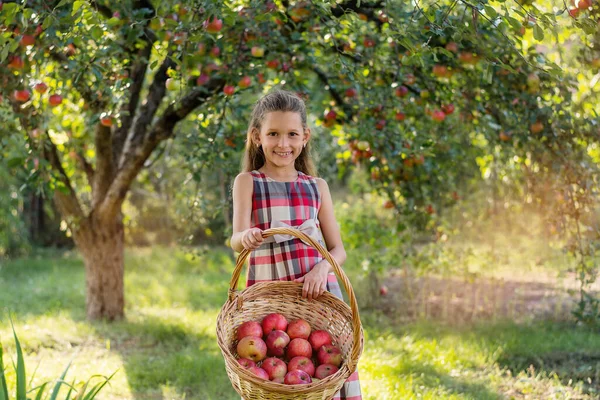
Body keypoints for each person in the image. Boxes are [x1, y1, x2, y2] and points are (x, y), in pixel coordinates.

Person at [230, 89, 362, 399]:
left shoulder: (316, 187)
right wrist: (246, 237)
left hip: (315, 292)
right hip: (271, 294)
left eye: (291, 134)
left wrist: (320, 270)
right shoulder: (248, 182)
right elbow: (236, 239)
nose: (283, 143)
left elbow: (338, 249)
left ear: (305, 137)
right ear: (256, 136)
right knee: (277, 374)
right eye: (273, 133)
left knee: (322, 371)